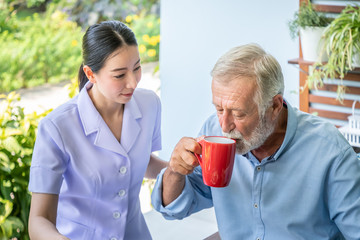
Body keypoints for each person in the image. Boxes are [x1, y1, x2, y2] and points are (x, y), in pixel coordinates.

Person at [151, 43, 360, 239]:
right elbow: (174, 208)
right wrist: (175, 171)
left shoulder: (330, 152)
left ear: (275, 106)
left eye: (238, 114)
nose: (225, 126)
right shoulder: (213, 132)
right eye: (219, 109)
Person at [28, 20, 167, 240]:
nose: (133, 82)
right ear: (90, 74)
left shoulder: (150, 104)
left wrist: (184, 169)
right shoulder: (57, 127)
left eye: (137, 67)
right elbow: (39, 220)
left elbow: (143, 162)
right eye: (120, 75)